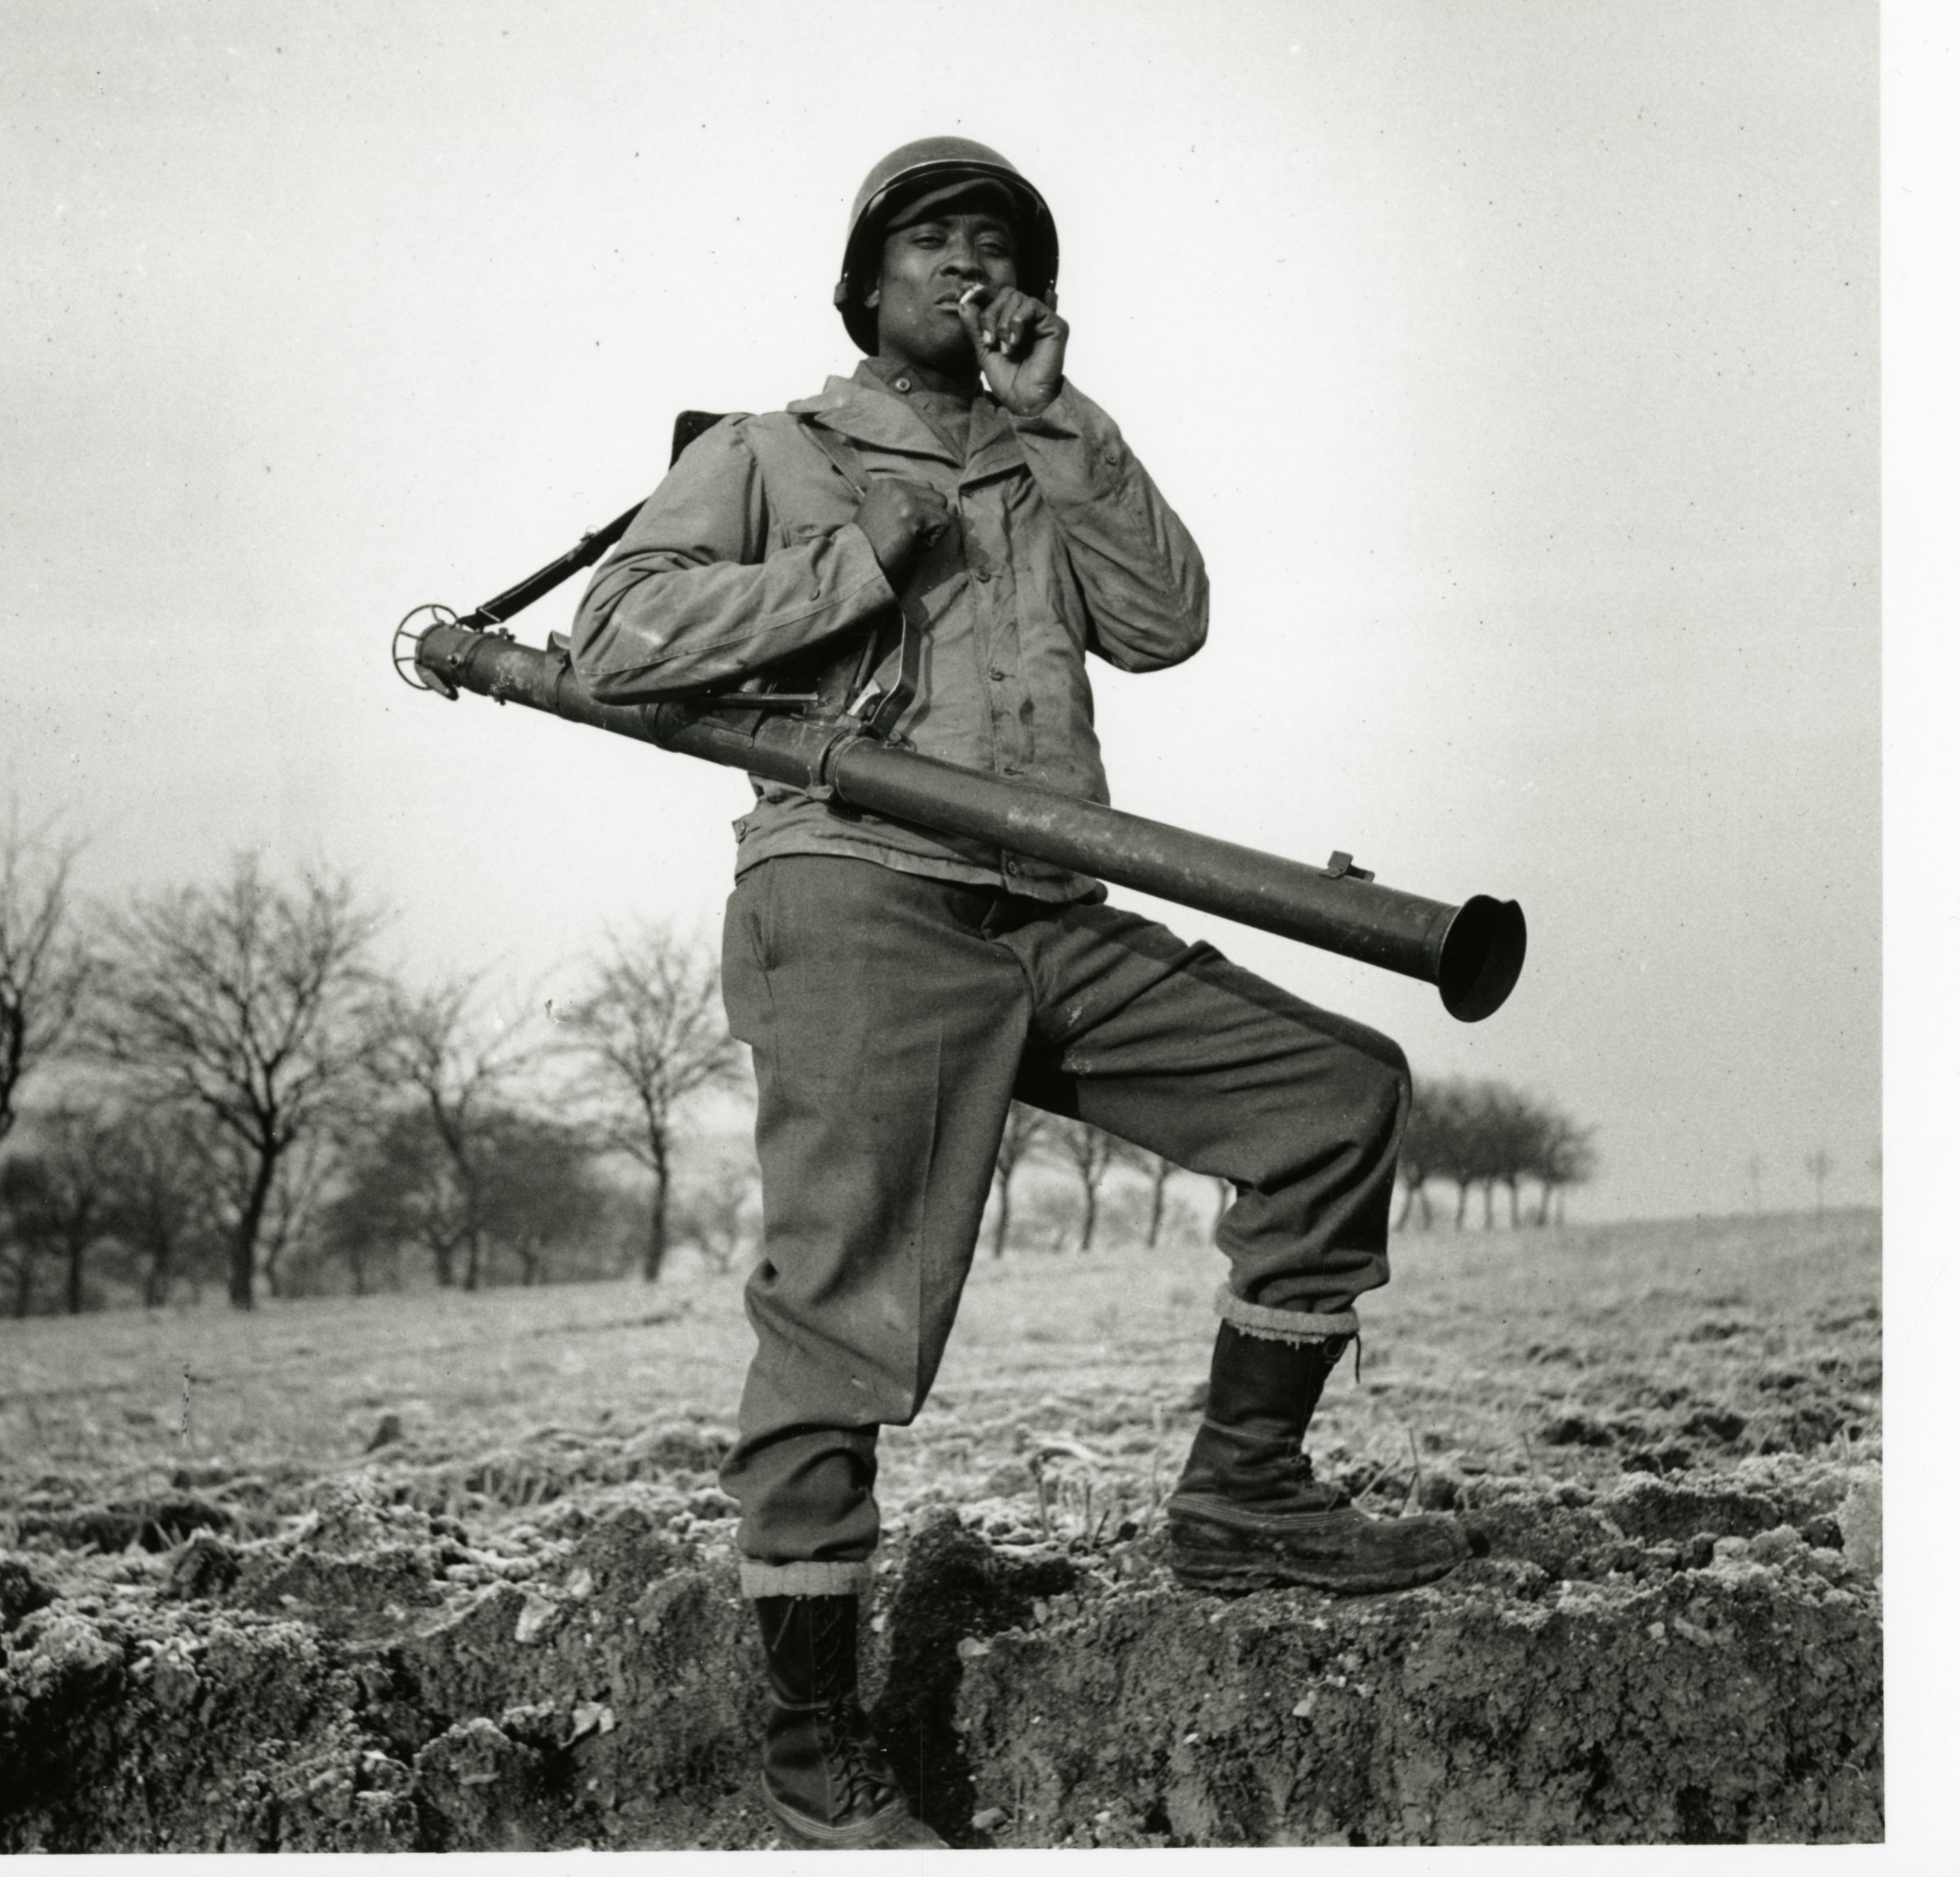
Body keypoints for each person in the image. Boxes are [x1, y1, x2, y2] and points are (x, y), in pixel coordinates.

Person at [569, 138, 1468, 1849]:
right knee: (843, 1309)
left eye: (1001, 243)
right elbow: (618, 641)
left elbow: (1169, 620)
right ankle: (814, 1738)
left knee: (1334, 1098)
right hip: (857, 895)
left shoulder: (1052, 456)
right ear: (867, 282)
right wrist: (861, 561)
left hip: (1048, 897)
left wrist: (1066, 419)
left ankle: (1246, 1497)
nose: (971, 265)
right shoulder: (776, 450)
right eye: (935, 239)